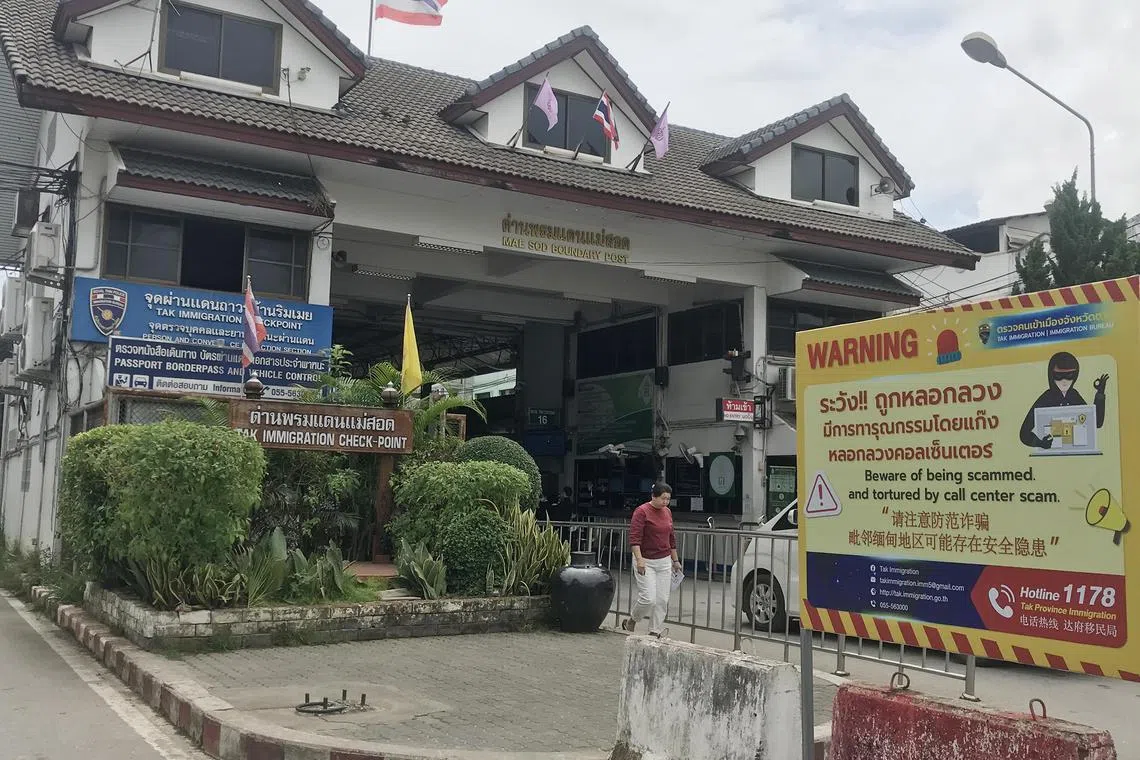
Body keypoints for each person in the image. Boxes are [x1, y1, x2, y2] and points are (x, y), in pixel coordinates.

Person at [621, 482, 680, 637]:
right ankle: (633, 619)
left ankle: (655, 630)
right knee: (648, 598)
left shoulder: (667, 512)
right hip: (645, 560)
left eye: (668, 499)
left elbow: (671, 537)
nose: (666, 502)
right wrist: (639, 559)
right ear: (653, 496)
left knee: (662, 599)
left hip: (664, 560)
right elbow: (635, 538)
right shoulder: (641, 511)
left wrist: (675, 561)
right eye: (663, 498)